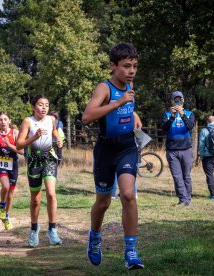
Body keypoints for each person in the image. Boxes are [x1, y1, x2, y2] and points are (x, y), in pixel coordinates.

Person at [82, 43, 144, 270]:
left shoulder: (130, 83)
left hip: (127, 146)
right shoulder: (104, 88)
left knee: (128, 195)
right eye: (126, 66)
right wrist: (118, 103)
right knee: (103, 202)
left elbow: (127, 102)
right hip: (106, 151)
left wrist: (134, 112)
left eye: (135, 66)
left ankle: (131, 251)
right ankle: (95, 237)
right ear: (113, 66)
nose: (132, 71)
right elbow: (87, 116)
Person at [16, 95, 63, 247]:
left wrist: (58, 139)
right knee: (35, 199)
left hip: (49, 158)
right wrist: (34, 137)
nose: (44, 108)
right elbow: (19, 145)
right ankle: (34, 229)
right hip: (34, 162)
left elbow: (55, 132)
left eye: (47, 105)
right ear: (33, 106)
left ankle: (52, 229)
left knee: (51, 193)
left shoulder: (51, 120)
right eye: (40, 105)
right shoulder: (28, 121)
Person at [0, 111, 24, 230]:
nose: (3, 122)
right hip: (1, 163)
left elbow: (22, 151)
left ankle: (6, 217)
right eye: (0, 120)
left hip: (13, 164)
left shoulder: (15, 133)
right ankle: (2, 205)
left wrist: (10, 145)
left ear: (9, 120)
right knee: (6, 187)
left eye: (5, 119)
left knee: (11, 194)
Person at [161, 90, 195, 206]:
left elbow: (190, 126)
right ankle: (182, 199)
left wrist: (182, 115)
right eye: (175, 99)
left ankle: (188, 198)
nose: (178, 101)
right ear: (172, 101)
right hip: (172, 151)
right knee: (177, 176)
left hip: (186, 149)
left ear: (183, 100)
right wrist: (172, 117)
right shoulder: (167, 114)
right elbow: (164, 129)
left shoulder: (189, 113)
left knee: (186, 175)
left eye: (179, 99)